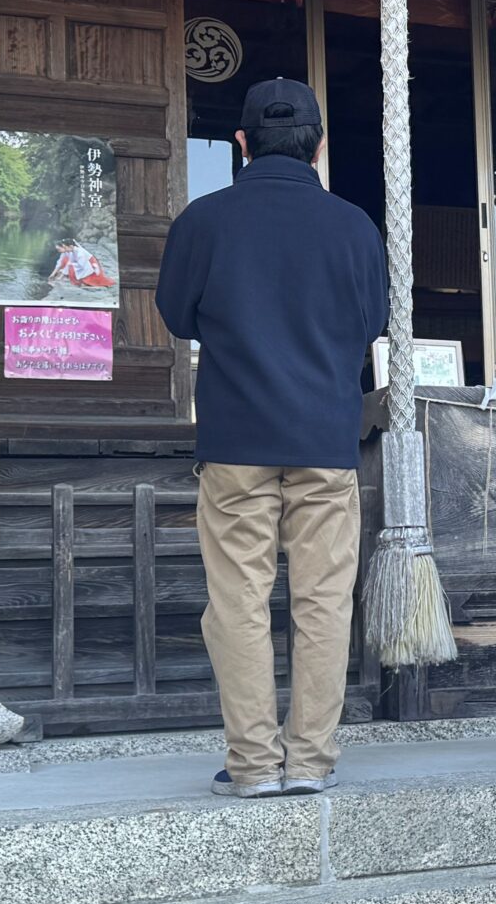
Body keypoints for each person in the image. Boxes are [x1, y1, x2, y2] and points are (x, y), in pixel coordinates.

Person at [157, 77, 387, 799]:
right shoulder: (354, 227)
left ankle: (254, 764)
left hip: (235, 438)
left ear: (242, 143)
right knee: (324, 602)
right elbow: (373, 322)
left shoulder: (204, 220)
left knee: (237, 601)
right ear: (318, 145)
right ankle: (310, 761)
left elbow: (177, 317)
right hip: (326, 439)